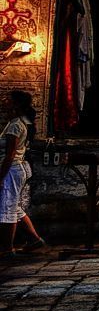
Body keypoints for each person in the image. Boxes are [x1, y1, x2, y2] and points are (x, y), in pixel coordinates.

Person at [2, 90, 45, 256]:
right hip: (18, 168)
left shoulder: (15, 125)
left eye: (8, 99)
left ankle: (7, 248)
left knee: (8, 208)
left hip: (12, 169)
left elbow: (10, 154)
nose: (5, 102)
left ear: (16, 104)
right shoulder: (23, 122)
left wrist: (0, 176)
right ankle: (35, 239)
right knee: (14, 206)